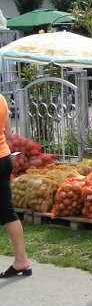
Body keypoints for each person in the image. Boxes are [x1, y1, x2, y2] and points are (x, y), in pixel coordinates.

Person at [0, 93, 32, 278]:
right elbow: (9, 133)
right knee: (8, 212)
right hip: (4, 158)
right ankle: (22, 260)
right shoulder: (2, 98)